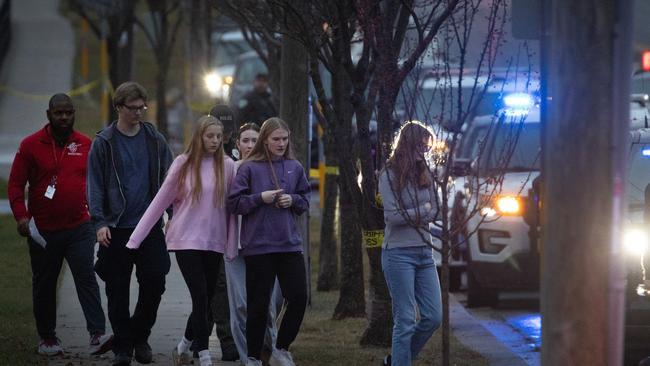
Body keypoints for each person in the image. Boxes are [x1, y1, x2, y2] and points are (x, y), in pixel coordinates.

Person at [126, 115, 237, 366]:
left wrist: (231, 244)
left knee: (207, 300)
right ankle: (204, 354)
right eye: (210, 136)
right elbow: (160, 203)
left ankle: (184, 346)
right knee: (199, 297)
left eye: (219, 137)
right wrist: (136, 238)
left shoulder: (228, 166)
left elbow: (231, 210)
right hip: (186, 240)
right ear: (199, 137)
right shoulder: (183, 164)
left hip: (214, 241)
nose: (215, 141)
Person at [7, 93, 113, 357]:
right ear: (49, 115)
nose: (64, 117)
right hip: (42, 231)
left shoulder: (85, 144)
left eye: (68, 112)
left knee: (86, 278)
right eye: (58, 113)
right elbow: (15, 185)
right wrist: (21, 216)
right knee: (45, 283)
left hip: (79, 227)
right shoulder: (31, 145)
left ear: (74, 113)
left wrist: (98, 216)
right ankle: (47, 338)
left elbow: (97, 183)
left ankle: (97, 334)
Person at [87, 81, 173, 366]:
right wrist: (99, 222)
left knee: (156, 280)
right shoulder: (104, 143)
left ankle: (140, 335)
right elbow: (95, 186)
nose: (139, 113)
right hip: (116, 227)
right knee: (117, 289)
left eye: (142, 107)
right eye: (133, 108)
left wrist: (173, 214)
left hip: (147, 226)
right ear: (119, 107)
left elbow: (170, 180)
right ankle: (123, 347)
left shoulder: (154, 139)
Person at [227, 117, 310, 366]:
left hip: (289, 244)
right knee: (258, 305)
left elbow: (305, 200)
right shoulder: (250, 168)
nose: (281, 143)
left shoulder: (295, 166)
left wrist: (293, 200)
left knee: (298, 297)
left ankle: (281, 349)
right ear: (265, 140)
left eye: (284, 139)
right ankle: (252, 357)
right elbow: (234, 203)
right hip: (259, 246)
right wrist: (260, 198)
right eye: (276, 139)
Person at [378, 121, 442, 366]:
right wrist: (423, 209)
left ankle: (395, 360)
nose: (424, 151)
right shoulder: (389, 174)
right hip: (398, 254)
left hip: (425, 253)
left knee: (433, 317)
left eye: (426, 147)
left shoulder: (427, 172)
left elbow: (436, 210)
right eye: (421, 146)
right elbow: (393, 217)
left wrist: (416, 212)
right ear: (407, 144)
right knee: (405, 320)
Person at [225, 122, 284, 363]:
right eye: (245, 141)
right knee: (240, 304)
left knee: (269, 305)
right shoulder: (229, 170)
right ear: (237, 145)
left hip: (265, 246)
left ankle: (271, 351)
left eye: (254, 140)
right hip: (235, 247)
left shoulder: (270, 169)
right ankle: (247, 358)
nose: (250, 145)